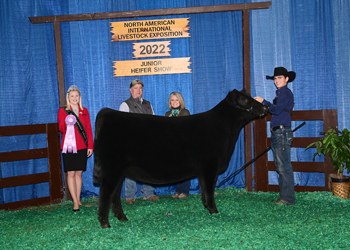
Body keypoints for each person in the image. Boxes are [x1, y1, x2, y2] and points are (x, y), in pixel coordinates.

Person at [254, 67, 296, 206]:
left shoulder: (286, 94)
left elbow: (277, 111)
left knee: (284, 166)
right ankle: (284, 196)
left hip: (282, 132)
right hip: (278, 132)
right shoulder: (281, 94)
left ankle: (288, 199)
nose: (277, 81)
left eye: (280, 78)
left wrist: (264, 101)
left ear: (286, 79)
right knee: (280, 166)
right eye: (275, 78)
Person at [119, 79, 160, 205]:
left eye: (140, 88)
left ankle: (149, 193)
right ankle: (130, 196)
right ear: (131, 90)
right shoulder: (125, 105)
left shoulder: (148, 104)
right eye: (136, 88)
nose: (138, 90)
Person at [58, 85, 94, 212]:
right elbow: (61, 129)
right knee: (71, 173)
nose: (74, 98)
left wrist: (90, 146)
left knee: (79, 173)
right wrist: (67, 123)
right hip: (69, 147)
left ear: (79, 97)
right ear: (68, 97)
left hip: (82, 146)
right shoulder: (63, 111)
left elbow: (89, 130)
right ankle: (75, 202)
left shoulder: (84, 110)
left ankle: (78, 199)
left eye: (76, 96)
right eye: (72, 96)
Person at [165, 92, 192, 199]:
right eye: (172, 100)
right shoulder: (167, 114)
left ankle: (184, 191)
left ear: (180, 101)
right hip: (172, 145)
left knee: (185, 168)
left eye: (177, 100)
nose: (174, 102)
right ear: (170, 102)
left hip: (184, 144)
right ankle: (178, 190)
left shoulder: (185, 112)